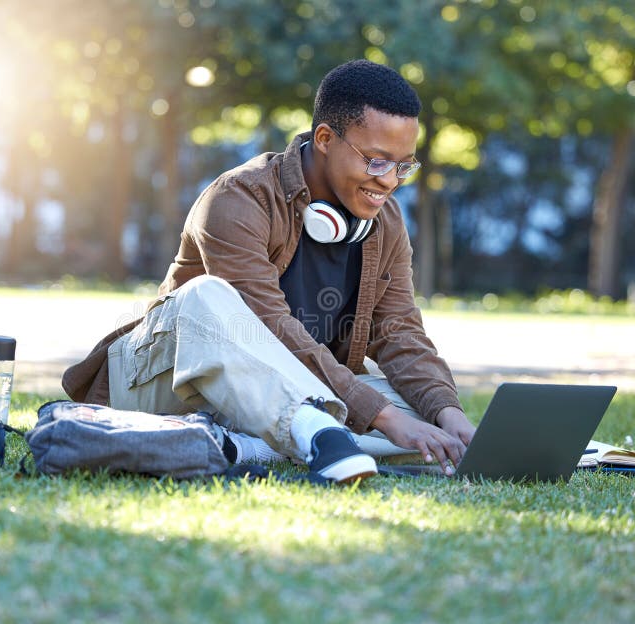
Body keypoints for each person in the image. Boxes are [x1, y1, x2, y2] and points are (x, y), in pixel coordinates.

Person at [62, 59, 476, 483]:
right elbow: (268, 324)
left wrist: (449, 414)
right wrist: (381, 417)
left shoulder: (385, 222)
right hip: (165, 382)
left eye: (403, 165)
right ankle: (315, 434)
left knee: (415, 414)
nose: (389, 181)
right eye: (376, 161)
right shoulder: (238, 198)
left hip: (277, 394)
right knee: (207, 296)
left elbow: (400, 333)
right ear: (325, 138)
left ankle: (240, 446)